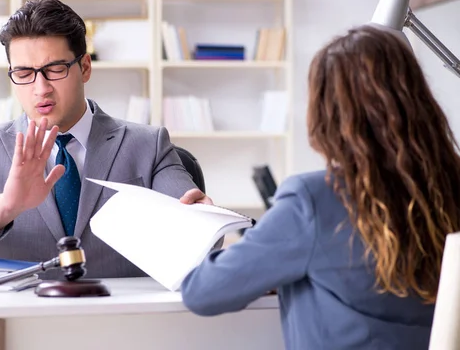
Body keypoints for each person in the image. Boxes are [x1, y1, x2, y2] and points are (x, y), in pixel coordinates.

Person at [178, 25, 460, 349]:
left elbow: (203, 293)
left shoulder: (313, 199)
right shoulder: (450, 188)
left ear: (326, 113)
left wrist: (200, 228)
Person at [0, 0, 200, 279]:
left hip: (120, 318)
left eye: (54, 69)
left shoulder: (148, 145)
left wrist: (205, 222)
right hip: (22, 322)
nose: (41, 89)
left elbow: (201, 241)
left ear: (85, 67)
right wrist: (4, 208)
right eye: (24, 73)